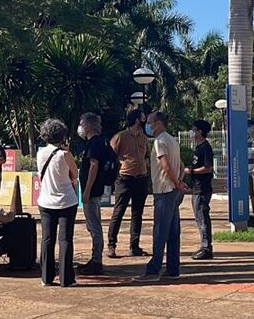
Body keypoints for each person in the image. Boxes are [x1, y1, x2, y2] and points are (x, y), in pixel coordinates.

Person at [139, 112, 187, 281]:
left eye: (150, 122)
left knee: (160, 231)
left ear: (158, 124)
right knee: (173, 231)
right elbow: (181, 165)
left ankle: (153, 270)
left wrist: (176, 182)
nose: (148, 125)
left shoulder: (160, 141)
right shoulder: (173, 140)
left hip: (164, 190)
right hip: (173, 190)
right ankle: (173, 268)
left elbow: (165, 166)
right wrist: (179, 182)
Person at [35, 118, 79, 288]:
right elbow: (74, 175)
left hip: (45, 200)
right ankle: (66, 278)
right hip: (66, 201)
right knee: (65, 239)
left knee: (47, 239)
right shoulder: (65, 155)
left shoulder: (40, 153)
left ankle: (46, 277)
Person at [106, 110, 150, 258]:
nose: (145, 119)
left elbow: (147, 156)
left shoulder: (144, 137)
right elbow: (111, 155)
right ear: (137, 119)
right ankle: (111, 245)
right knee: (119, 212)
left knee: (137, 214)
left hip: (141, 178)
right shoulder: (121, 136)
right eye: (143, 117)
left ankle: (134, 245)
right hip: (125, 178)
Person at [76, 112, 112, 275]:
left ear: (88, 126)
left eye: (82, 124)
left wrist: (87, 190)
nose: (80, 128)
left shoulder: (94, 143)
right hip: (95, 189)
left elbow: (94, 166)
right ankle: (95, 259)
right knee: (94, 225)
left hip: (92, 191)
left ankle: (96, 261)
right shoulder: (101, 142)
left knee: (94, 226)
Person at [188, 119, 216, 260]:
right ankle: (204, 245)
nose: (191, 132)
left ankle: (206, 247)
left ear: (199, 131)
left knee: (202, 217)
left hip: (202, 188)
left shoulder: (205, 147)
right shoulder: (197, 147)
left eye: (193, 129)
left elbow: (208, 168)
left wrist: (191, 172)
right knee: (199, 217)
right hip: (196, 187)